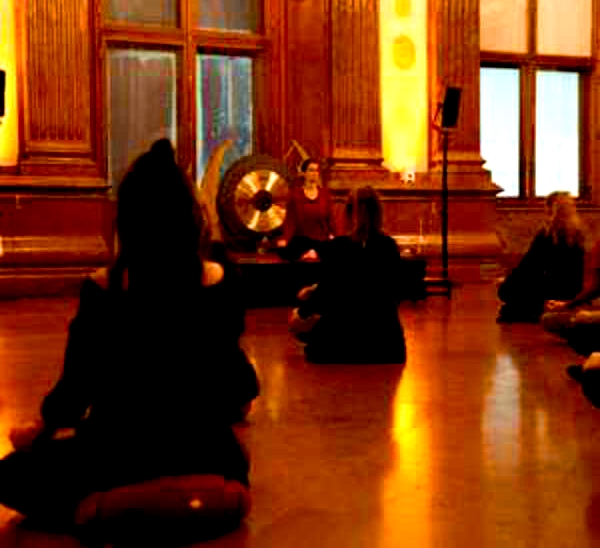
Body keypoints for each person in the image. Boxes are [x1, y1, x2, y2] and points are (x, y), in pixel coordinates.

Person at [0, 139, 259, 532]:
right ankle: (187, 501)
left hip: (115, 456)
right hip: (202, 453)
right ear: (191, 219)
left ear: (127, 221)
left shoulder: (103, 288)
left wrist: (43, 431)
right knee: (232, 465)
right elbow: (236, 386)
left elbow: (73, 395)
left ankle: (110, 507)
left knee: (10, 474)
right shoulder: (222, 282)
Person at [289, 186, 407, 364]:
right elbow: (390, 287)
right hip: (387, 345)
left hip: (343, 343)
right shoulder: (389, 246)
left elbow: (328, 290)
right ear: (378, 213)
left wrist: (301, 312)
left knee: (298, 320)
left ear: (348, 214)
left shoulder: (340, 246)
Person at [497, 192, 585, 323]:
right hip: (572, 290)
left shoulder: (547, 234)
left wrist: (507, 281)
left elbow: (528, 266)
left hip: (551, 289)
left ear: (550, 210)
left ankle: (538, 307)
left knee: (505, 291)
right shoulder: (578, 234)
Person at [277, 158, 336, 262]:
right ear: (304, 173)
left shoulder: (325, 195)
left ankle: (313, 253)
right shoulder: (295, 195)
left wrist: (332, 234)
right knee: (282, 250)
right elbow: (290, 221)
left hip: (321, 240)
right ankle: (310, 253)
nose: (314, 173)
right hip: (302, 240)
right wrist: (285, 238)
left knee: (336, 250)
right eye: (311, 170)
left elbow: (330, 218)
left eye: (317, 170)